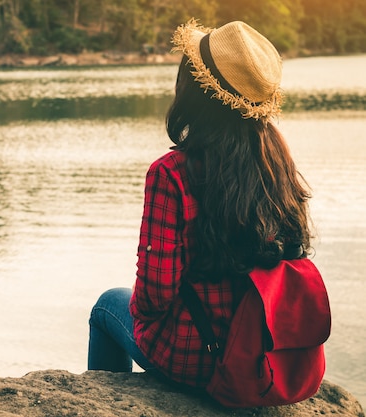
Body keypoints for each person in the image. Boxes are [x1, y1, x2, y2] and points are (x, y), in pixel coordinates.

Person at [87, 19, 313, 390]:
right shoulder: (276, 156)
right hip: (263, 356)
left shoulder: (171, 172)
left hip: (197, 360)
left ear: (195, 91)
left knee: (107, 305)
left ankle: (103, 404)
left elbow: (153, 299)